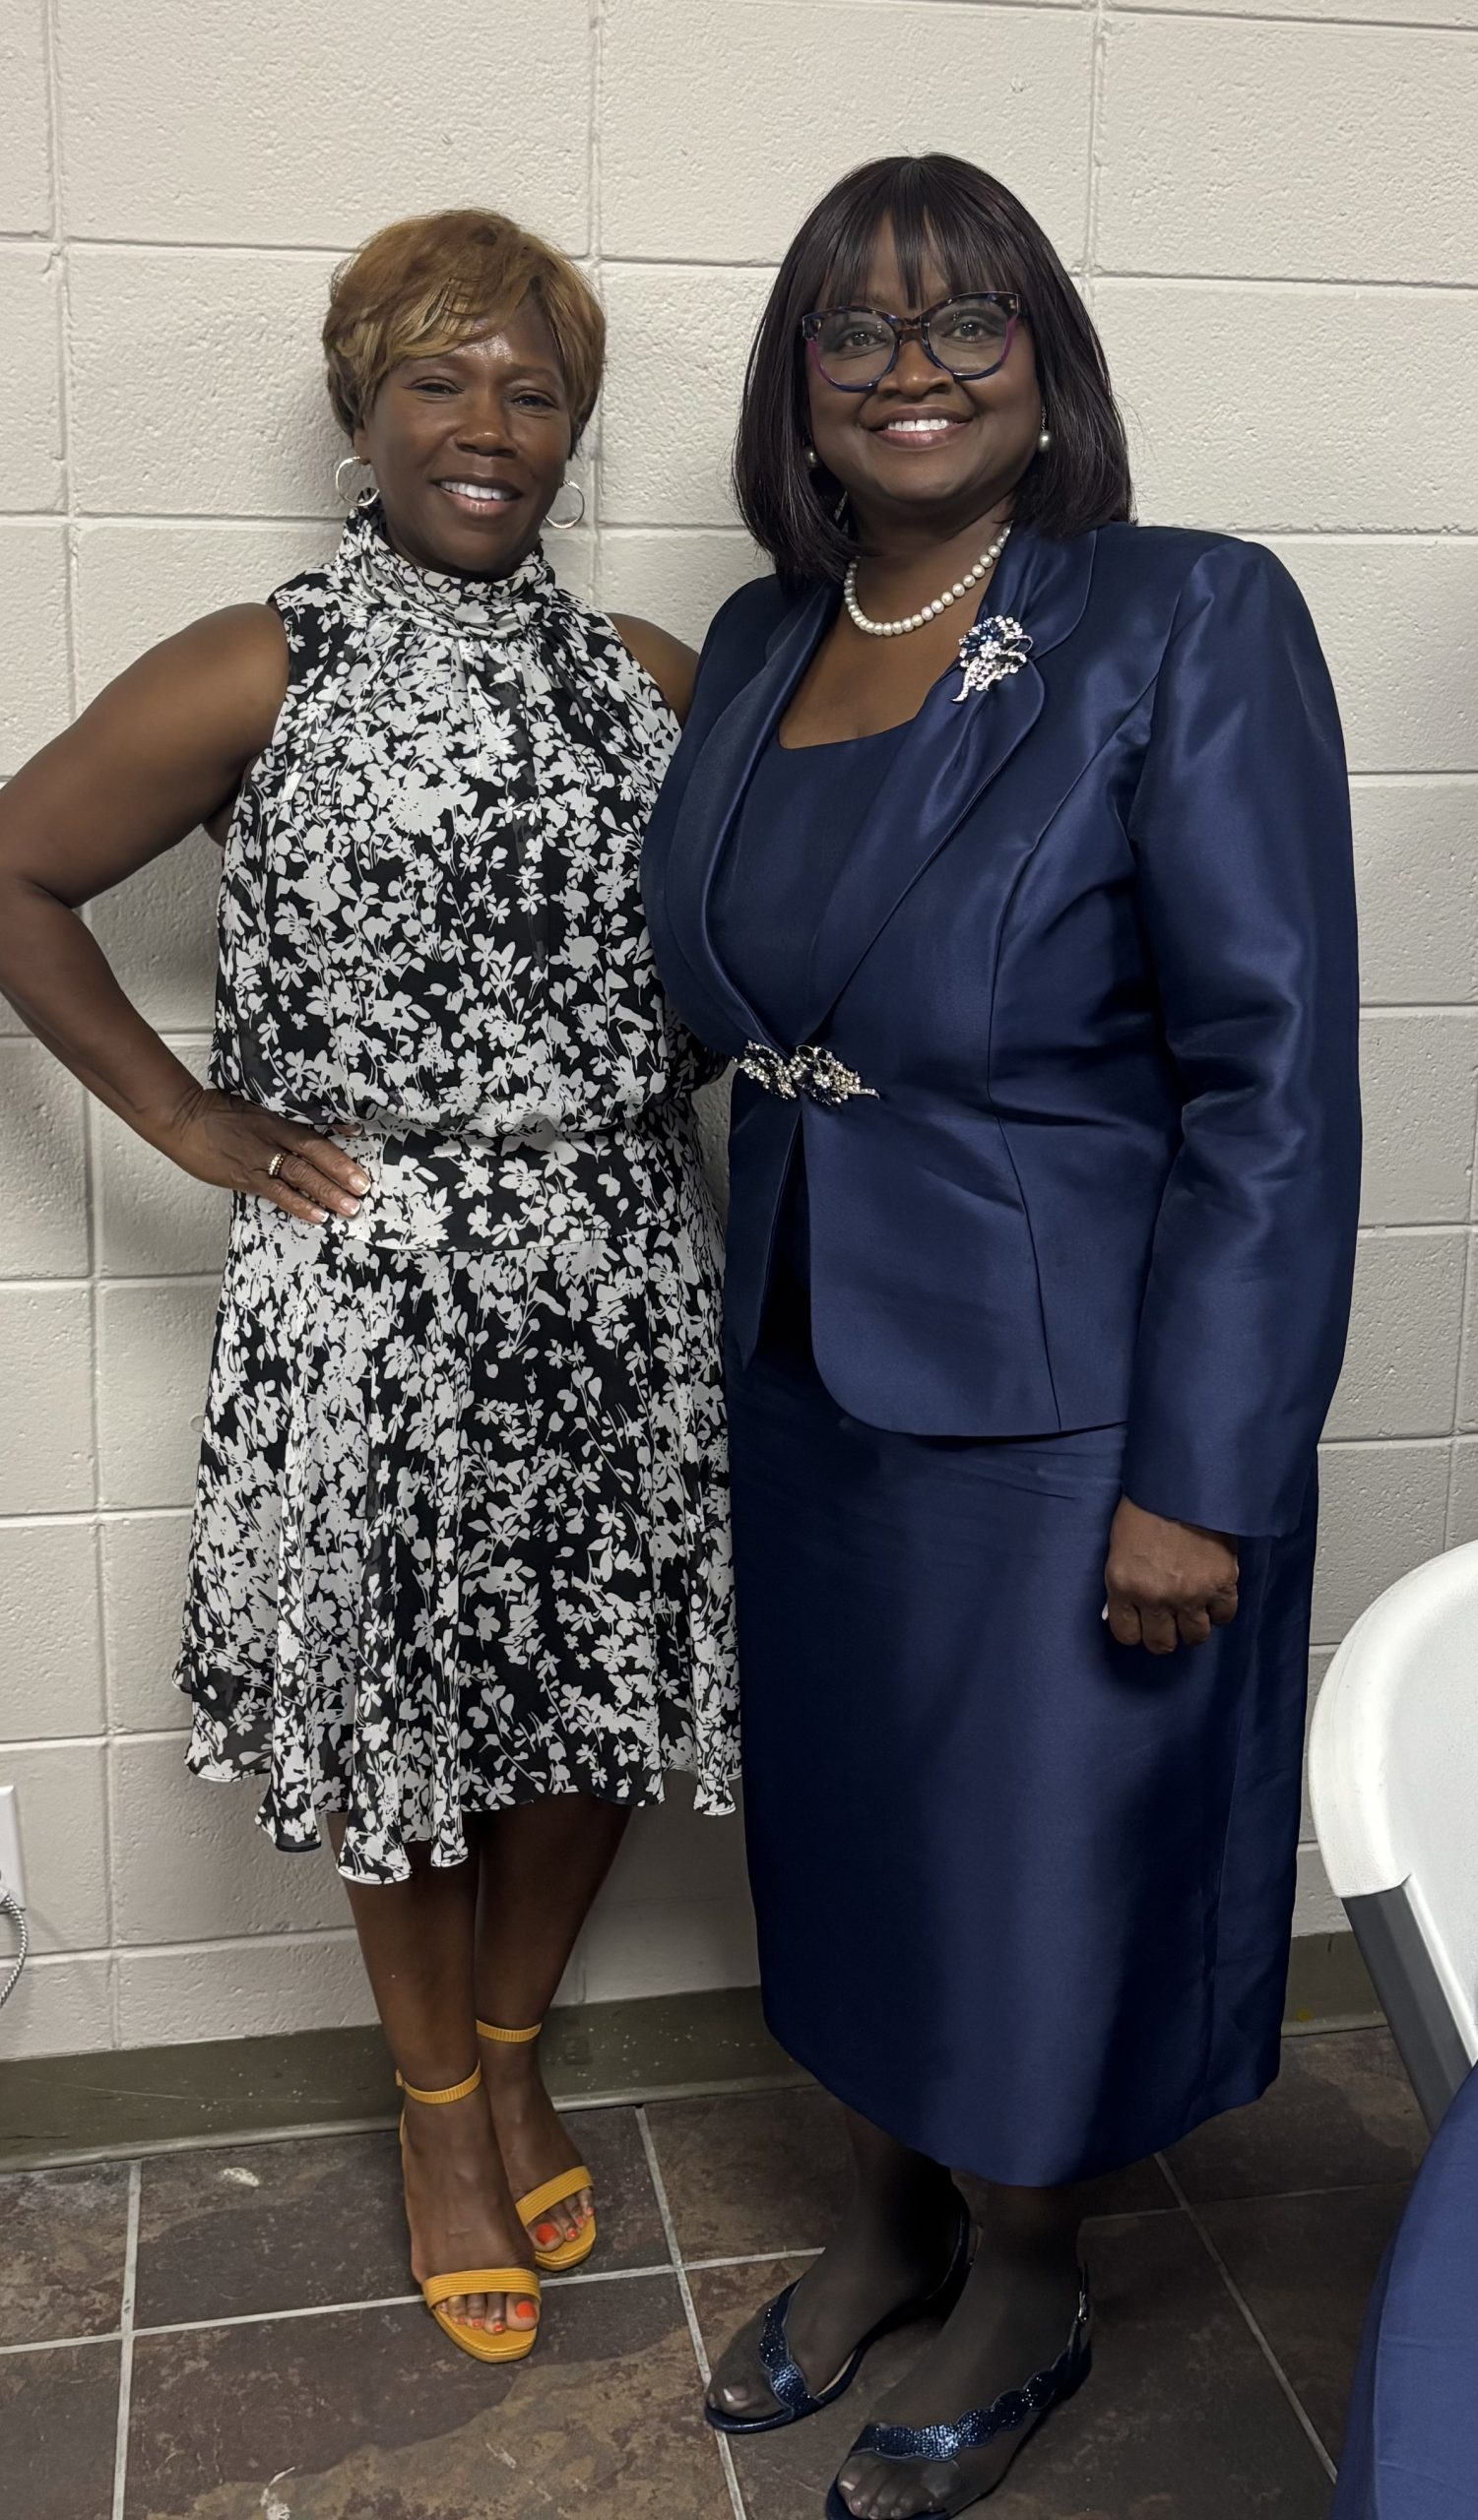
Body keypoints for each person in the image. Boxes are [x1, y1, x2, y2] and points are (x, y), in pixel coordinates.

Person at [643, 153, 1360, 2516]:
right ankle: (887, 2214)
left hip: (1072, 1399)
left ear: (1044, 363)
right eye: (856, 329)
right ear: (800, 390)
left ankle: (1028, 2270)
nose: (913, 366)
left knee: (1029, 1860)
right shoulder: (762, 636)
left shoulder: (1181, 614)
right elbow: (738, 989)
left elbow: (1270, 1082)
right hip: (806, 1356)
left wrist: (1200, 1470)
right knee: (852, 1829)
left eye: (967, 320)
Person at [0, 208, 737, 2366]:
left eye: (531, 389)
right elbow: (15, 867)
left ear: (572, 430)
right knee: (399, 1718)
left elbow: (756, 933)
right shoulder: (269, 662)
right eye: (438, 379)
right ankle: (435, 2114)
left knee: (592, 1693)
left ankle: (512, 2052)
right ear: (362, 408)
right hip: (373, 1301)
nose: (485, 425)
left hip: (620, 1274)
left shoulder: (649, 676)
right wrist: (188, 1116)